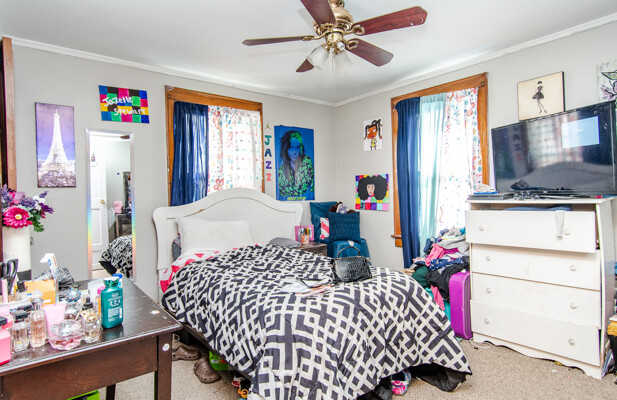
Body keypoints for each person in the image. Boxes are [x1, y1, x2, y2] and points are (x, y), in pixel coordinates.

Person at [277, 130, 314, 200]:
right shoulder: (281, 170)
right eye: (291, 148)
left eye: (297, 147)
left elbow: (307, 186)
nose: (294, 152)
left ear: (300, 148)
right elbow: (283, 192)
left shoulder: (307, 162)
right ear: (286, 149)